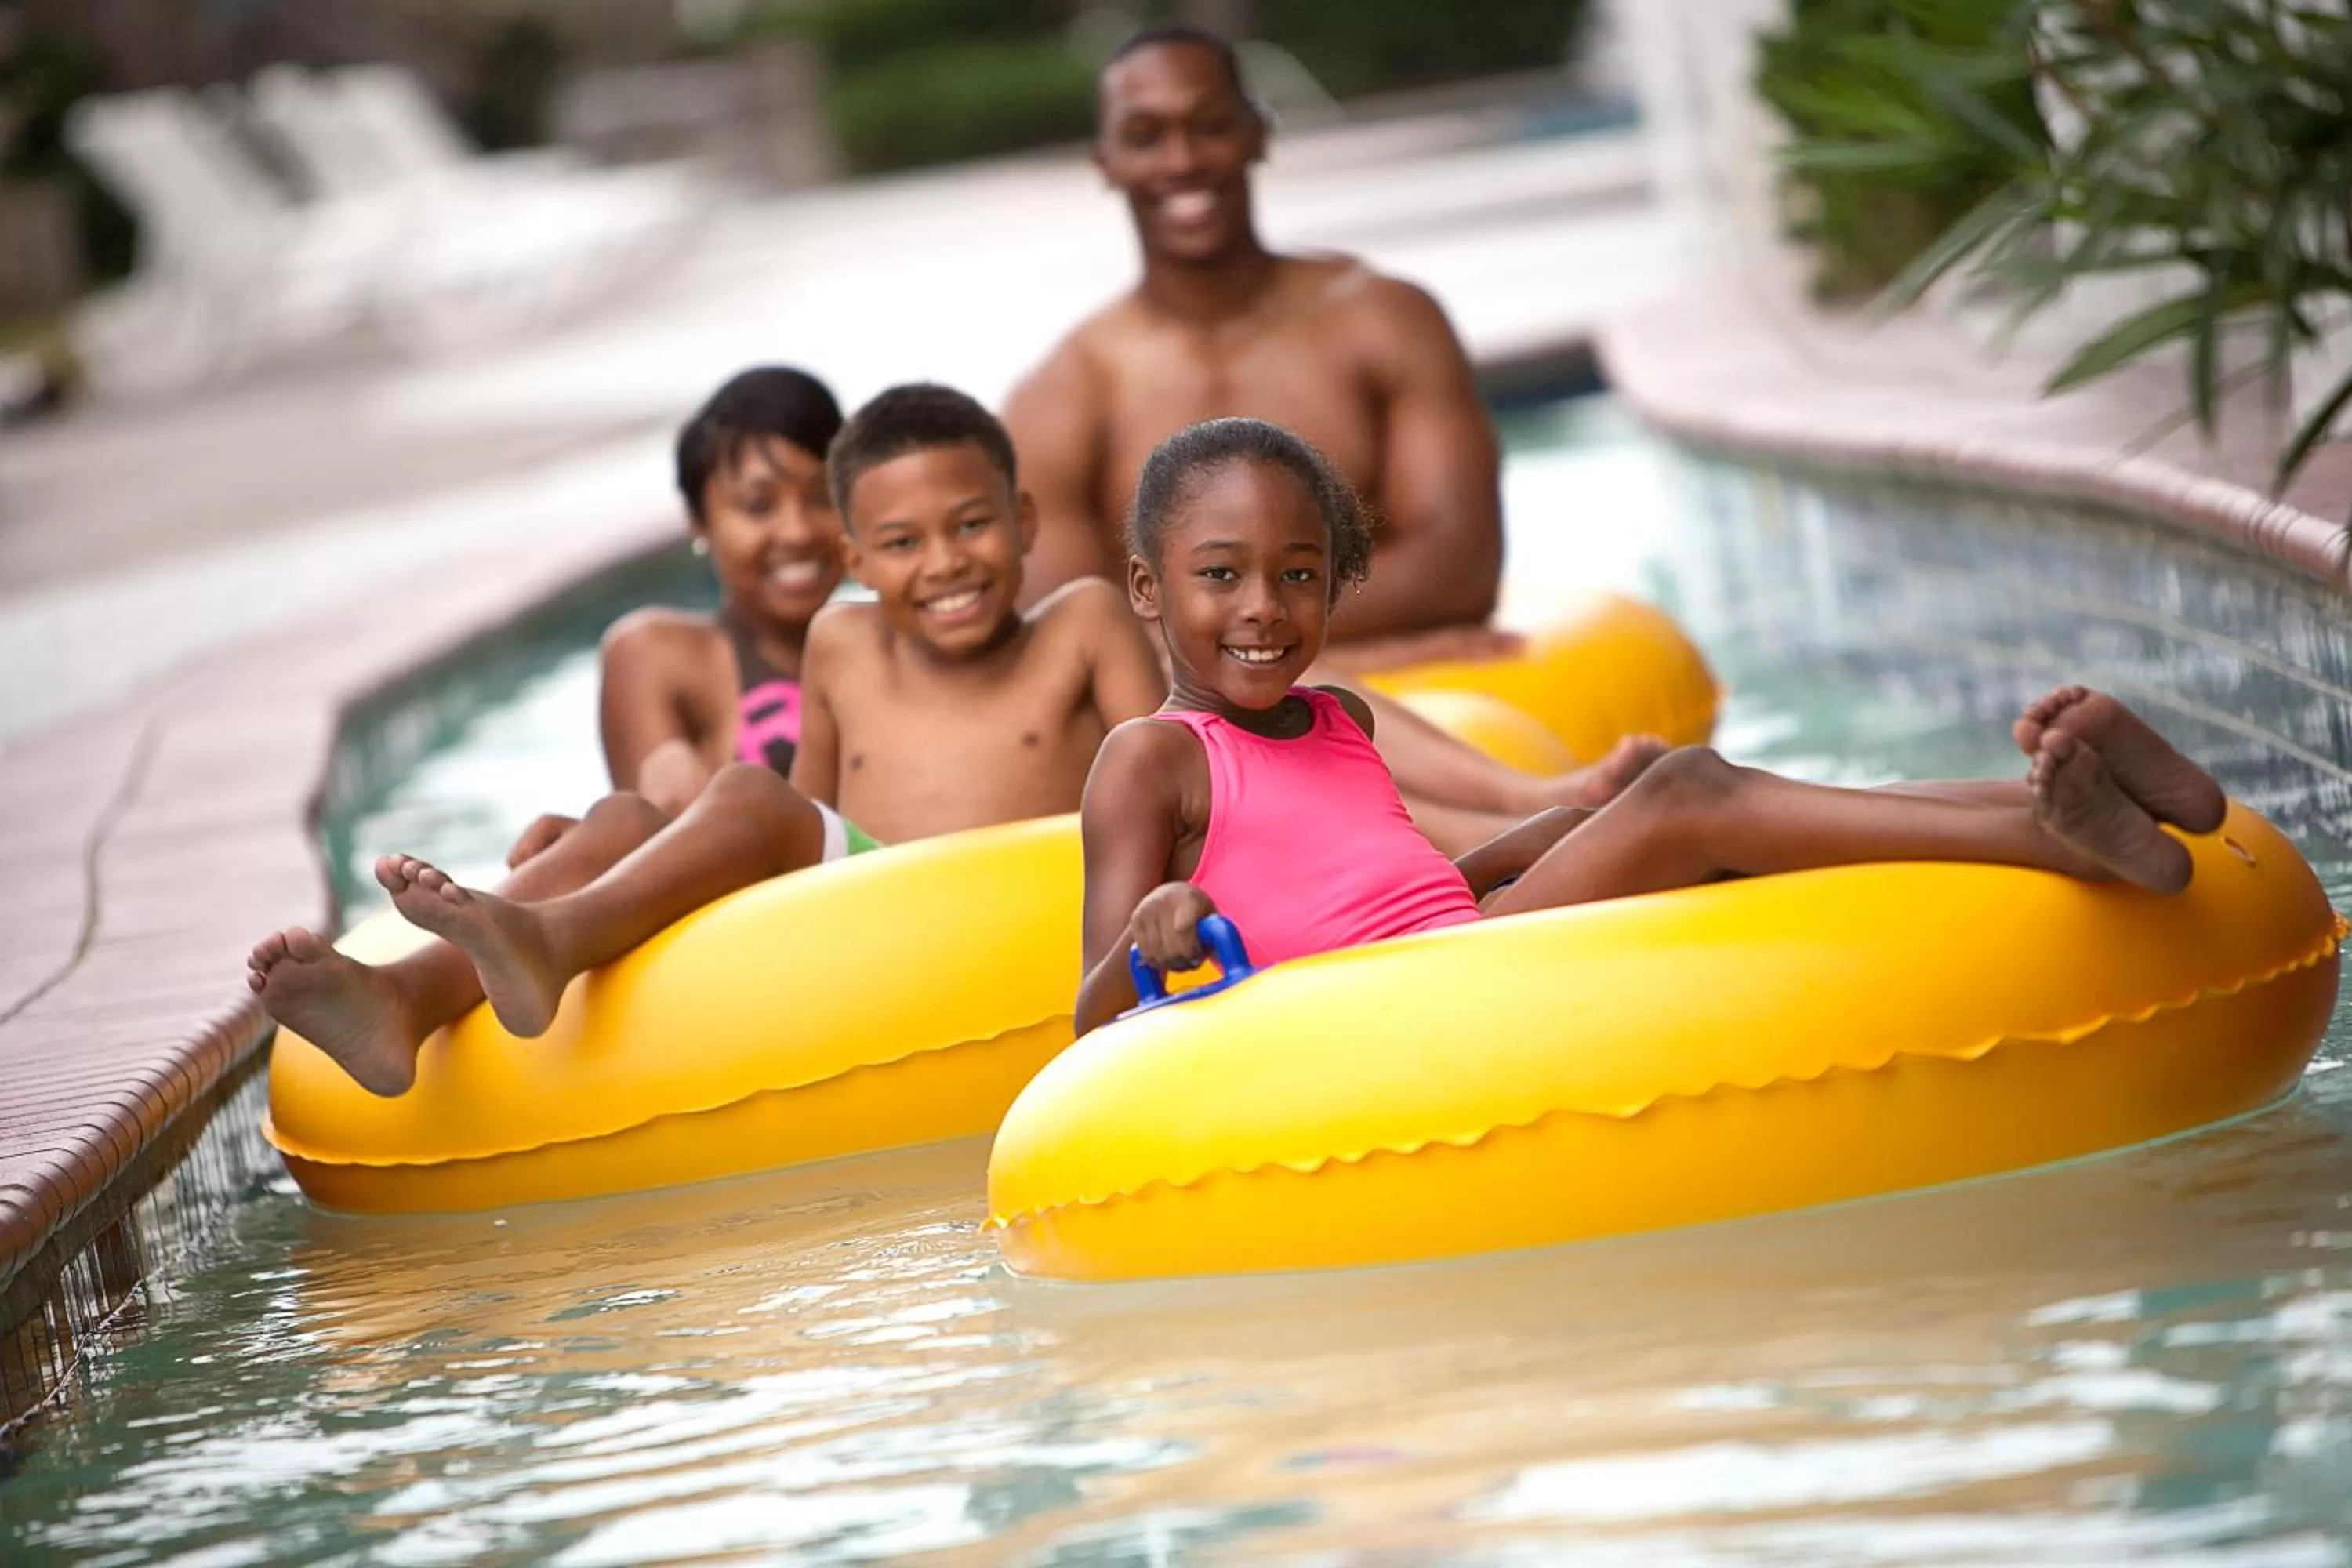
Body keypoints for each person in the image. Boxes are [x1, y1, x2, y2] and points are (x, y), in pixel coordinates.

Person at [1072, 418, 2229, 1034]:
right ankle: (2050, 836)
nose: (1264, 608)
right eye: (1220, 575)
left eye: (1299, 573)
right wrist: (1152, 936)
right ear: (1146, 588)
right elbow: (1089, 1019)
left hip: (1465, 945)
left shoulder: (1341, 715)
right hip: (1399, 1006)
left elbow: (1378, 895)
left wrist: (1519, 847)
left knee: (1704, 806)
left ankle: (2075, 792)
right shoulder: (1152, 758)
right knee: (1688, 790)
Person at [251, 384, 1166, 1095]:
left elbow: (1172, 766)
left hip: (1016, 898)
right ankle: (404, 996)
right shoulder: (841, 640)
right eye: (901, 542)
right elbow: (811, 818)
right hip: (875, 907)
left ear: (1025, 522)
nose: (945, 561)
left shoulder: (1080, 624)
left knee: (744, 793)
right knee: (628, 816)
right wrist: (628, 844)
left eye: (971, 525)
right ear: (855, 560)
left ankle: (551, 938)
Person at [1002, 24, 1664, 848]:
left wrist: (1254, 635)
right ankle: (1534, 823)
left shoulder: (1381, 320)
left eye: (1208, 125)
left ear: (1257, 132)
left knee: (1265, 685)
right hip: (1210, 732)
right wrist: (1349, 640)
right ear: (1106, 162)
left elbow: (1460, 563)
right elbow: (1076, 641)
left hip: (1313, 689)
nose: (1182, 160)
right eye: (1147, 136)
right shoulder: (1064, 398)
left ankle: (1543, 814)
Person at [505, 365, 848, 867]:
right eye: (758, 506)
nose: (797, 531)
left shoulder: (888, 643)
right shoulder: (661, 654)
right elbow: (651, 842)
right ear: (698, 519)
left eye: (821, 498)